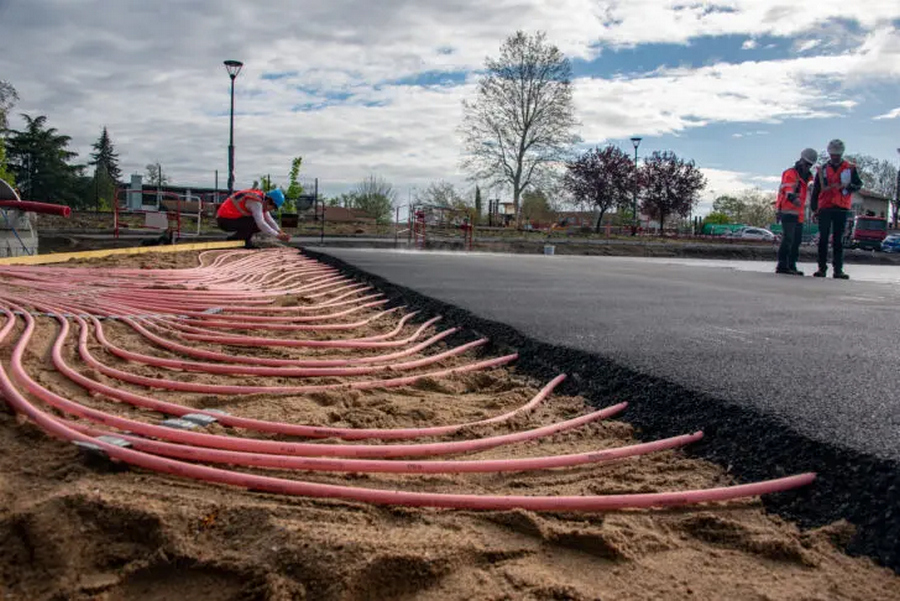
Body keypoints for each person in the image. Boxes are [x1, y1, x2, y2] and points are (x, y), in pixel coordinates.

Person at [810, 139, 863, 279]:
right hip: (825, 208)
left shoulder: (850, 168)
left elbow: (858, 184)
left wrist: (849, 187)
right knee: (823, 240)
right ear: (829, 153)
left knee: (838, 240)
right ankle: (821, 268)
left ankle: (838, 270)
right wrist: (814, 209)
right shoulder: (822, 170)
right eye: (833, 154)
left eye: (837, 154)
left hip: (841, 208)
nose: (835, 157)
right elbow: (816, 190)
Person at [775, 148, 818, 275]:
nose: (807, 167)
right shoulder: (791, 173)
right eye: (806, 164)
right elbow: (788, 191)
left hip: (798, 213)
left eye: (810, 165)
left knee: (796, 240)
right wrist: (793, 198)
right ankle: (782, 265)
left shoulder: (808, 177)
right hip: (787, 211)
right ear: (801, 161)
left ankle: (791, 265)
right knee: (788, 238)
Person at [216, 188, 291, 249]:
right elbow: (261, 223)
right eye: (274, 207)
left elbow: (269, 219)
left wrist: (280, 232)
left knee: (256, 222)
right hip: (224, 220)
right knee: (255, 222)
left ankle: (244, 241)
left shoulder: (262, 200)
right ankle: (235, 240)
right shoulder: (256, 203)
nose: (272, 209)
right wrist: (277, 235)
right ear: (269, 201)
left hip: (228, 218)